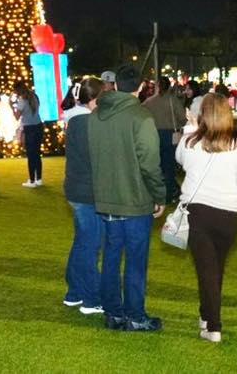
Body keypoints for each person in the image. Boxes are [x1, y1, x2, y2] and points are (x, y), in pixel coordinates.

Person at [175, 92, 237, 342]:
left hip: (198, 213)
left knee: (208, 270)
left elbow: (179, 159)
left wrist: (190, 126)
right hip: (227, 214)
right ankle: (208, 317)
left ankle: (213, 325)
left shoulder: (190, 142)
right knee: (214, 268)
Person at [87, 64, 165, 332]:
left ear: (116, 84)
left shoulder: (96, 116)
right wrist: (159, 195)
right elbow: (150, 163)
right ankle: (134, 315)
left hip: (107, 197)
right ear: (141, 87)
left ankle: (114, 312)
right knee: (135, 259)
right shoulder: (140, 117)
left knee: (110, 256)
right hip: (134, 198)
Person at [62, 78, 105, 316]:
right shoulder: (87, 123)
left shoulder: (76, 120)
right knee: (90, 245)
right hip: (87, 192)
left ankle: (75, 292)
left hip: (77, 190)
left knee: (82, 243)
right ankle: (91, 298)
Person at [144, 76, 187, 204]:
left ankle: (156, 193)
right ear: (169, 86)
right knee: (169, 167)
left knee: (156, 166)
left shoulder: (149, 102)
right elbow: (182, 118)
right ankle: (169, 194)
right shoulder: (173, 100)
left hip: (153, 134)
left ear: (157, 86)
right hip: (170, 135)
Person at [12, 80, 44, 187]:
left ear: (17, 90)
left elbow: (17, 117)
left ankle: (31, 181)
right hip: (38, 126)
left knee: (31, 155)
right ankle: (38, 179)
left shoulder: (22, 100)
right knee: (37, 153)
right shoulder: (34, 96)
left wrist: (12, 106)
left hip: (29, 128)